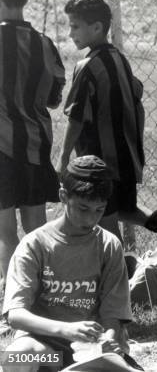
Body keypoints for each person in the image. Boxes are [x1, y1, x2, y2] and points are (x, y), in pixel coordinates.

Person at [57, 0, 157, 269]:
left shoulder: (87, 67)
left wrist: (63, 158)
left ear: (96, 27)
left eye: (75, 26)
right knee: (124, 208)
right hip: (126, 154)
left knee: (105, 219)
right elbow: (137, 90)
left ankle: (116, 281)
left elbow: (75, 116)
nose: (70, 33)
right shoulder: (119, 59)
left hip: (100, 161)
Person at [2, 156, 142, 371]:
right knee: (16, 356)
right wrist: (65, 330)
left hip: (91, 353)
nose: (90, 219)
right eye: (83, 209)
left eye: (99, 210)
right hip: (49, 354)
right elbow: (16, 315)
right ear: (63, 196)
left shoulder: (108, 245)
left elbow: (113, 314)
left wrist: (109, 338)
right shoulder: (35, 245)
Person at [0, 0, 65, 281]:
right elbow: (54, 97)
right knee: (36, 229)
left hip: (2, 148)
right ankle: (43, 291)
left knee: (6, 234)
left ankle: (13, 301)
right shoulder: (45, 44)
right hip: (36, 146)